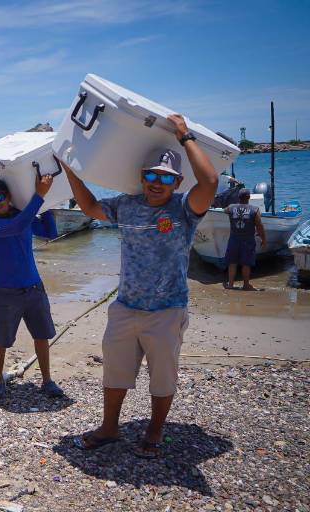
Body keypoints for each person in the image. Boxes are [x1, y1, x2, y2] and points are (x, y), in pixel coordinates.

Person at [63, 114, 218, 458]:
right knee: (115, 371)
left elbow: (209, 181)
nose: (156, 182)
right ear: (142, 177)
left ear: (177, 183)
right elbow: (89, 207)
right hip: (125, 307)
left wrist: (185, 135)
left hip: (167, 310)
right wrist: (70, 170)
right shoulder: (127, 206)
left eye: (165, 177)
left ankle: (155, 429)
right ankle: (109, 427)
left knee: (162, 377)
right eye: (150, 175)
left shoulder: (184, 210)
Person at [0, 176, 65, 399]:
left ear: (9, 196)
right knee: (2, 339)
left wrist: (47, 206)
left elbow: (49, 233)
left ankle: (47, 380)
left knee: (42, 335)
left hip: (34, 288)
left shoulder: (21, 217)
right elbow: (14, 228)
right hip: (5, 292)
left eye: (0, 196)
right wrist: (39, 196)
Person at [224, 188, 266, 290]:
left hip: (234, 239)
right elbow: (259, 227)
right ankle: (246, 285)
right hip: (248, 240)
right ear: (249, 197)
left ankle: (230, 284)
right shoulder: (255, 210)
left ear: (238, 197)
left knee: (232, 262)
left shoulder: (231, 207)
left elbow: (225, 210)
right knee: (246, 263)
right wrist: (263, 239)